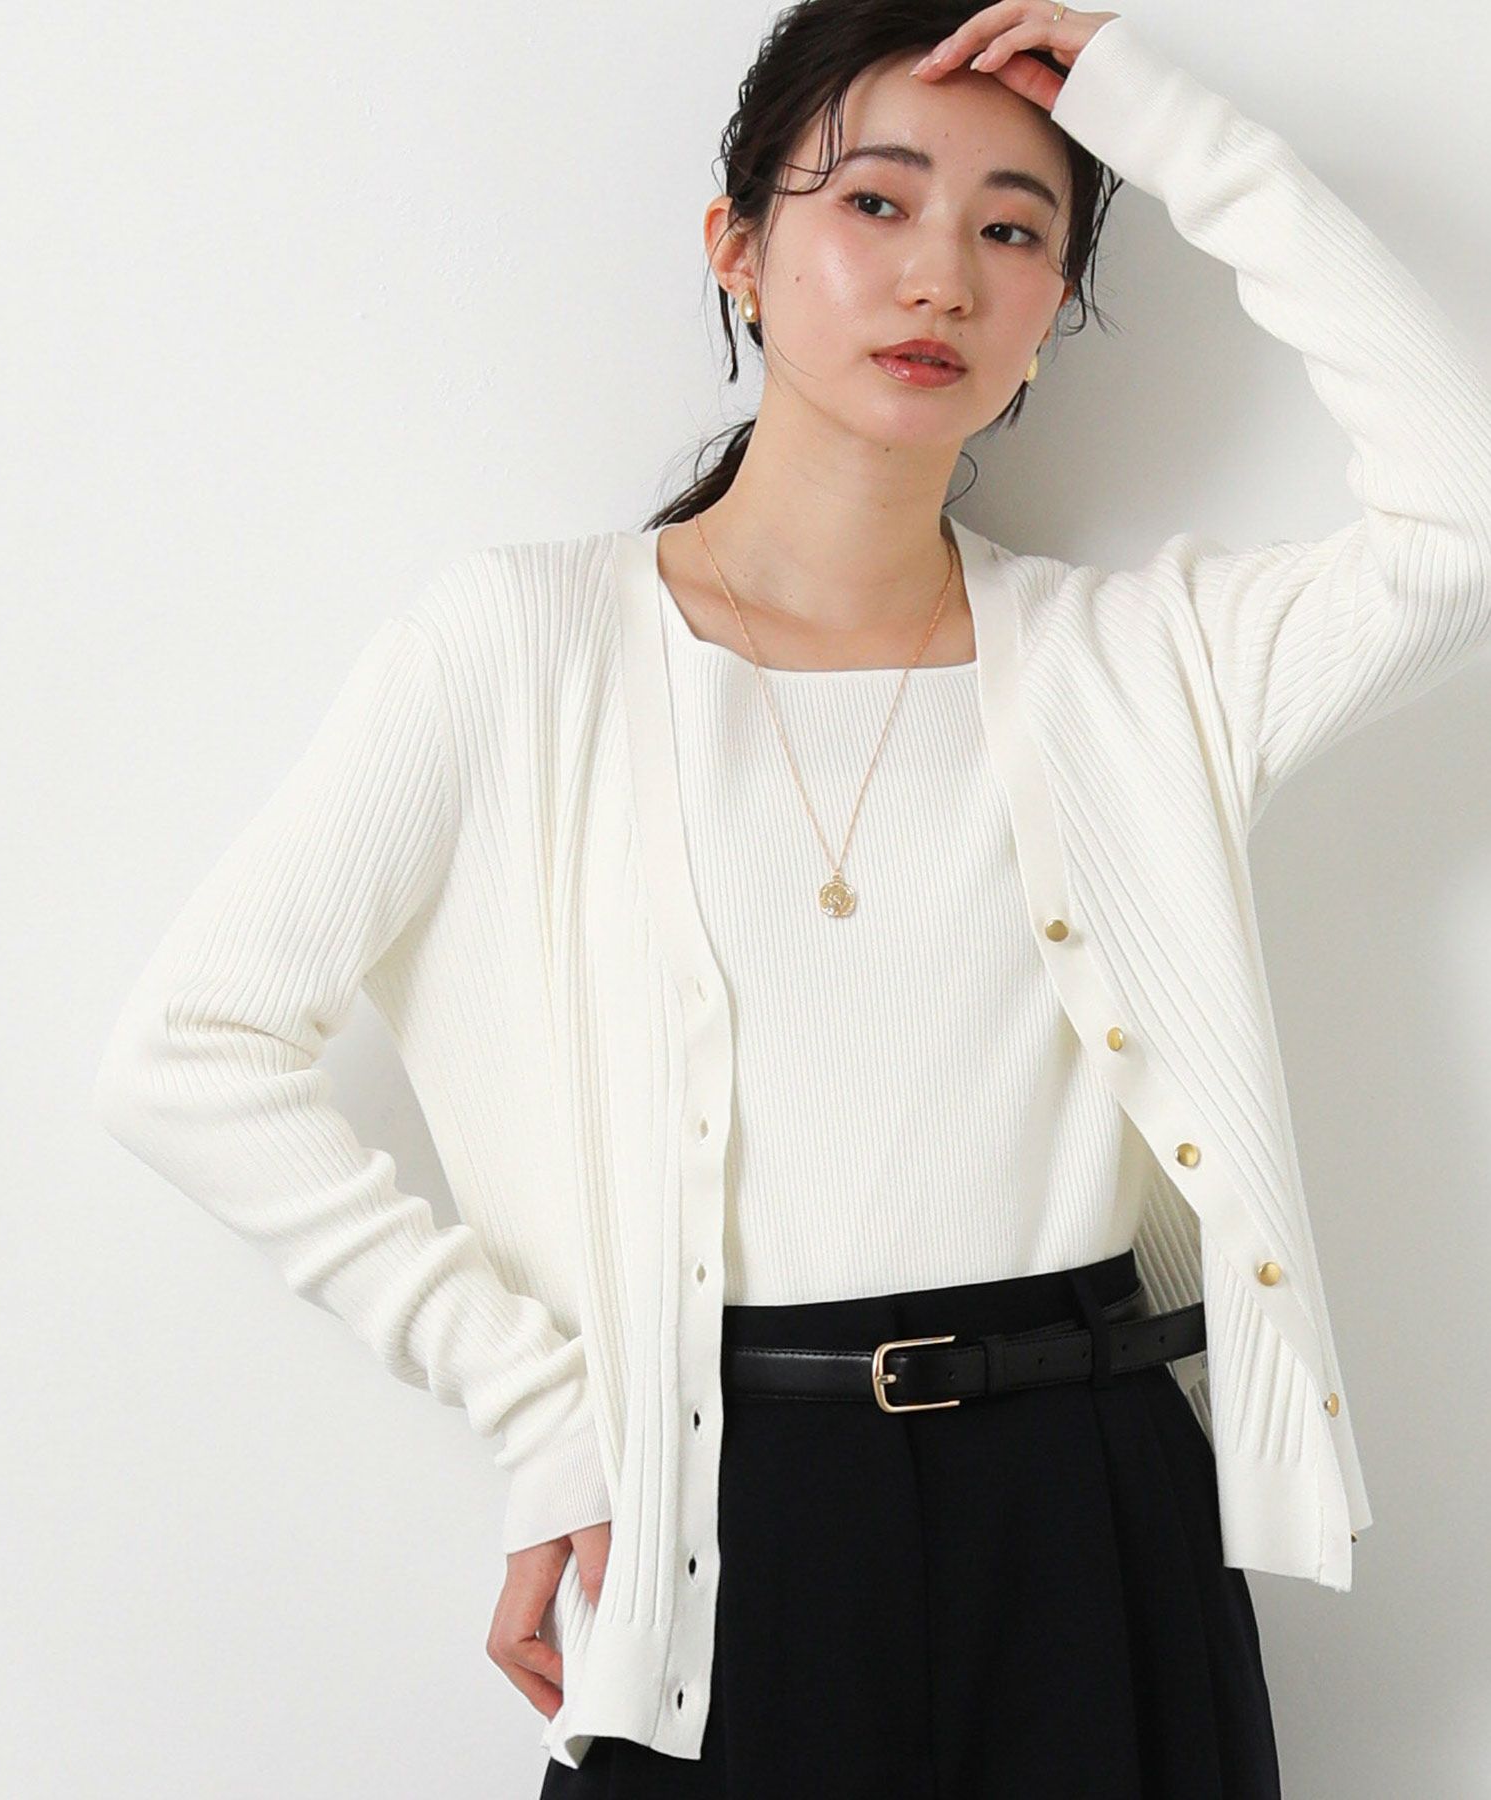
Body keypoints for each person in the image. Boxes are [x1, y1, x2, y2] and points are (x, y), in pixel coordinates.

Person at [92, 2, 1491, 1796]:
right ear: (739, 250)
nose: (941, 279)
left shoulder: (1144, 665)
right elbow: (190, 1054)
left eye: (1014, 229)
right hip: (723, 1523)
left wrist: (1172, 127)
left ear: (1054, 310)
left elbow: (1461, 525)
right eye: (875, 203)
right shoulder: (519, 645)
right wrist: (539, 1405)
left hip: (1094, 1511)